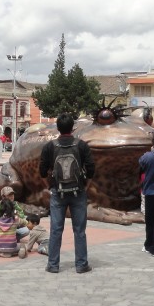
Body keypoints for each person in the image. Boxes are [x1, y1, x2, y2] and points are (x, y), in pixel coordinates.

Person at [39, 112, 95, 273]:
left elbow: (42, 170)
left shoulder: (50, 146)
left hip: (57, 192)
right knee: (79, 230)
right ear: (73, 128)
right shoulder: (81, 145)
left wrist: (49, 186)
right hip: (78, 192)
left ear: (58, 128)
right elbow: (91, 168)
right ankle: (81, 264)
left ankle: (53, 265)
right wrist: (86, 186)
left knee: (56, 230)